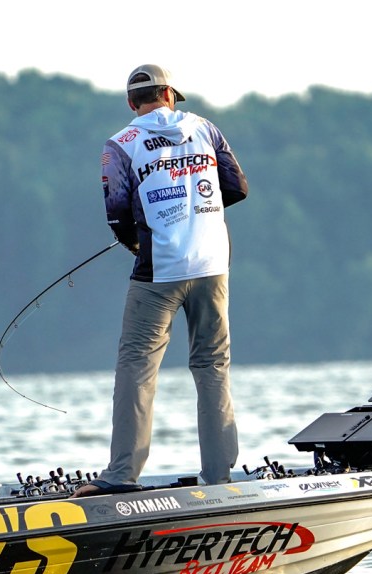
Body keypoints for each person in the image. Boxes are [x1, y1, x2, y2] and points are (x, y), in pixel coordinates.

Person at [73, 64, 249, 497]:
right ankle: (220, 479)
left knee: (136, 367)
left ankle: (121, 475)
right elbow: (237, 187)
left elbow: (117, 214)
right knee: (212, 366)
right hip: (212, 265)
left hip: (158, 270)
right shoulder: (206, 128)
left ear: (131, 103)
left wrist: (140, 240)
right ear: (169, 94)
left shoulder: (120, 144)